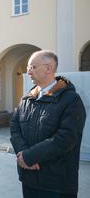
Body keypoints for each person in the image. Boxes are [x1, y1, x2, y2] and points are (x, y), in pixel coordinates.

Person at [10, 50, 86, 198]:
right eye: (27, 68)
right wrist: (23, 154)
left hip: (57, 183)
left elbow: (66, 138)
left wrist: (30, 156)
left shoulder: (71, 100)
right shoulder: (27, 98)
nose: (28, 72)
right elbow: (15, 127)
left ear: (48, 68)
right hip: (29, 178)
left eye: (32, 67)